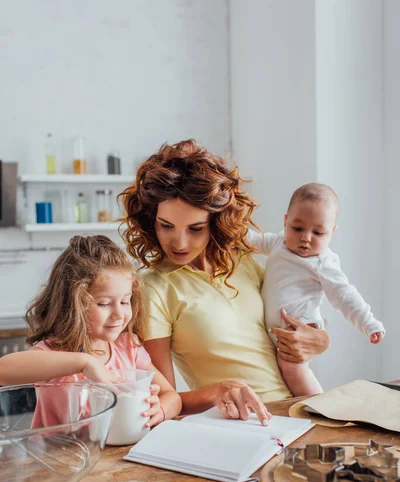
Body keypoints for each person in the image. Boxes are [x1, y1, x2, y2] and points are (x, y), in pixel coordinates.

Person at [119, 140, 330, 424]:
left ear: (216, 221)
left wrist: (319, 339)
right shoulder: (154, 287)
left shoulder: (242, 260)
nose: (179, 243)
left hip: (297, 409)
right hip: (240, 423)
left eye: (195, 229)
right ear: (150, 220)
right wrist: (220, 391)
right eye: (166, 226)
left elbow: (287, 321)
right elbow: (163, 400)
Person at [0, 235, 182, 428]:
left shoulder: (128, 347)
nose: (119, 314)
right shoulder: (55, 353)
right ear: (72, 305)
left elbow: (172, 397)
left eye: (124, 301)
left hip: (113, 455)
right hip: (58, 454)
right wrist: (85, 363)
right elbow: (3, 370)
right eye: (104, 303)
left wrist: (159, 410)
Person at [247, 183, 385, 397]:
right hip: (276, 329)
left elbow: (345, 295)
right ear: (285, 221)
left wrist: (369, 324)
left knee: (293, 369)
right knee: (280, 373)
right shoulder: (278, 243)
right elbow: (251, 240)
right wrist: (228, 230)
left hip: (300, 325)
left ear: (332, 232)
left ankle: (318, 406)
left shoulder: (323, 262)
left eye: (318, 232)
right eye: (297, 228)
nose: (306, 238)